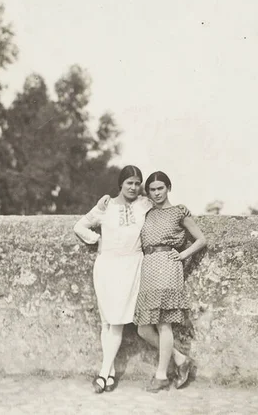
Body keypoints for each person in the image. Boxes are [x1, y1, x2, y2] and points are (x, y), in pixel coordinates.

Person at [73, 165, 152, 394]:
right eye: (130, 183)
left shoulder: (144, 205)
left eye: (138, 183)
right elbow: (79, 226)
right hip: (106, 266)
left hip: (131, 266)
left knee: (116, 321)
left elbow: (163, 204)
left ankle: (102, 373)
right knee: (107, 321)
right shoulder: (105, 206)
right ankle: (110, 375)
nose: (134, 187)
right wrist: (95, 239)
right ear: (121, 184)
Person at [134, 171, 207, 392]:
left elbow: (202, 239)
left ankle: (161, 376)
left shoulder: (178, 212)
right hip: (148, 267)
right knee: (143, 329)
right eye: (152, 189)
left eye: (161, 188)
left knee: (163, 323)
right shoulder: (146, 213)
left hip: (167, 265)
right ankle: (181, 359)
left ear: (168, 188)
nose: (157, 193)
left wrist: (184, 255)